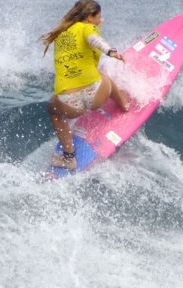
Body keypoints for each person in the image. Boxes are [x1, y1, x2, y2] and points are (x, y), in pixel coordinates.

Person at [40, 0, 129, 170]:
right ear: (89, 17)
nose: (101, 20)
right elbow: (95, 40)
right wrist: (111, 51)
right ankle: (123, 103)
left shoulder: (60, 34)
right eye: (99, 16)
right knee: (103, 77)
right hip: (95, 95)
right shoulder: (86, 27)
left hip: (71, 104)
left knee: (53, 109)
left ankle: (68, 158)